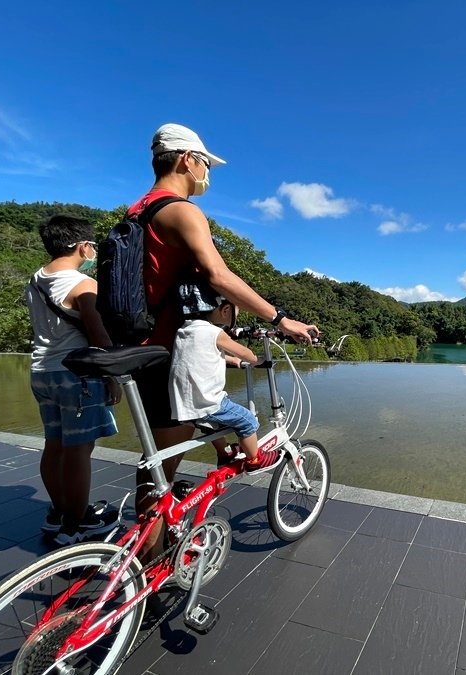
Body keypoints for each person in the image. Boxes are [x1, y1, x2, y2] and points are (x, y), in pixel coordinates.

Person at [129, 123, 318, 560]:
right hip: (170, 355)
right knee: (161, 471)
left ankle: (153, 547)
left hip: (146, 350)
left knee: (159, 464)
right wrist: (280, 318)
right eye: (205, 163)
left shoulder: (137, 212)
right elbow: (217, 275)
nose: (206, 172)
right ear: (185, 160)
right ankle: (147, 574)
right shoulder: (179, 211)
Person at [25, 215, 122, 546]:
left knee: (54, 446)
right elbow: (97, 332)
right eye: (91, 245)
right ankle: (77, 523)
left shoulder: (36, 279)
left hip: (42, 372)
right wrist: (112, 376)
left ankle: (60, 511)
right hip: (77, 375)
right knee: (80, 451)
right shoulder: (83, 284)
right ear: (82, 246)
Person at [169, 289, 278, 472]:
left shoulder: (185, 330)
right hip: (208, 402)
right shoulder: (214, 332)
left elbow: (199, 354)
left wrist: (232, 360)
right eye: (235, 315)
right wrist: (257, 360)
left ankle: (224, 453)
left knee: (212, 427)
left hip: (183, 405)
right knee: (247, 420)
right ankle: (255, 459)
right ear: (225, 310)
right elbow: (244, 353)